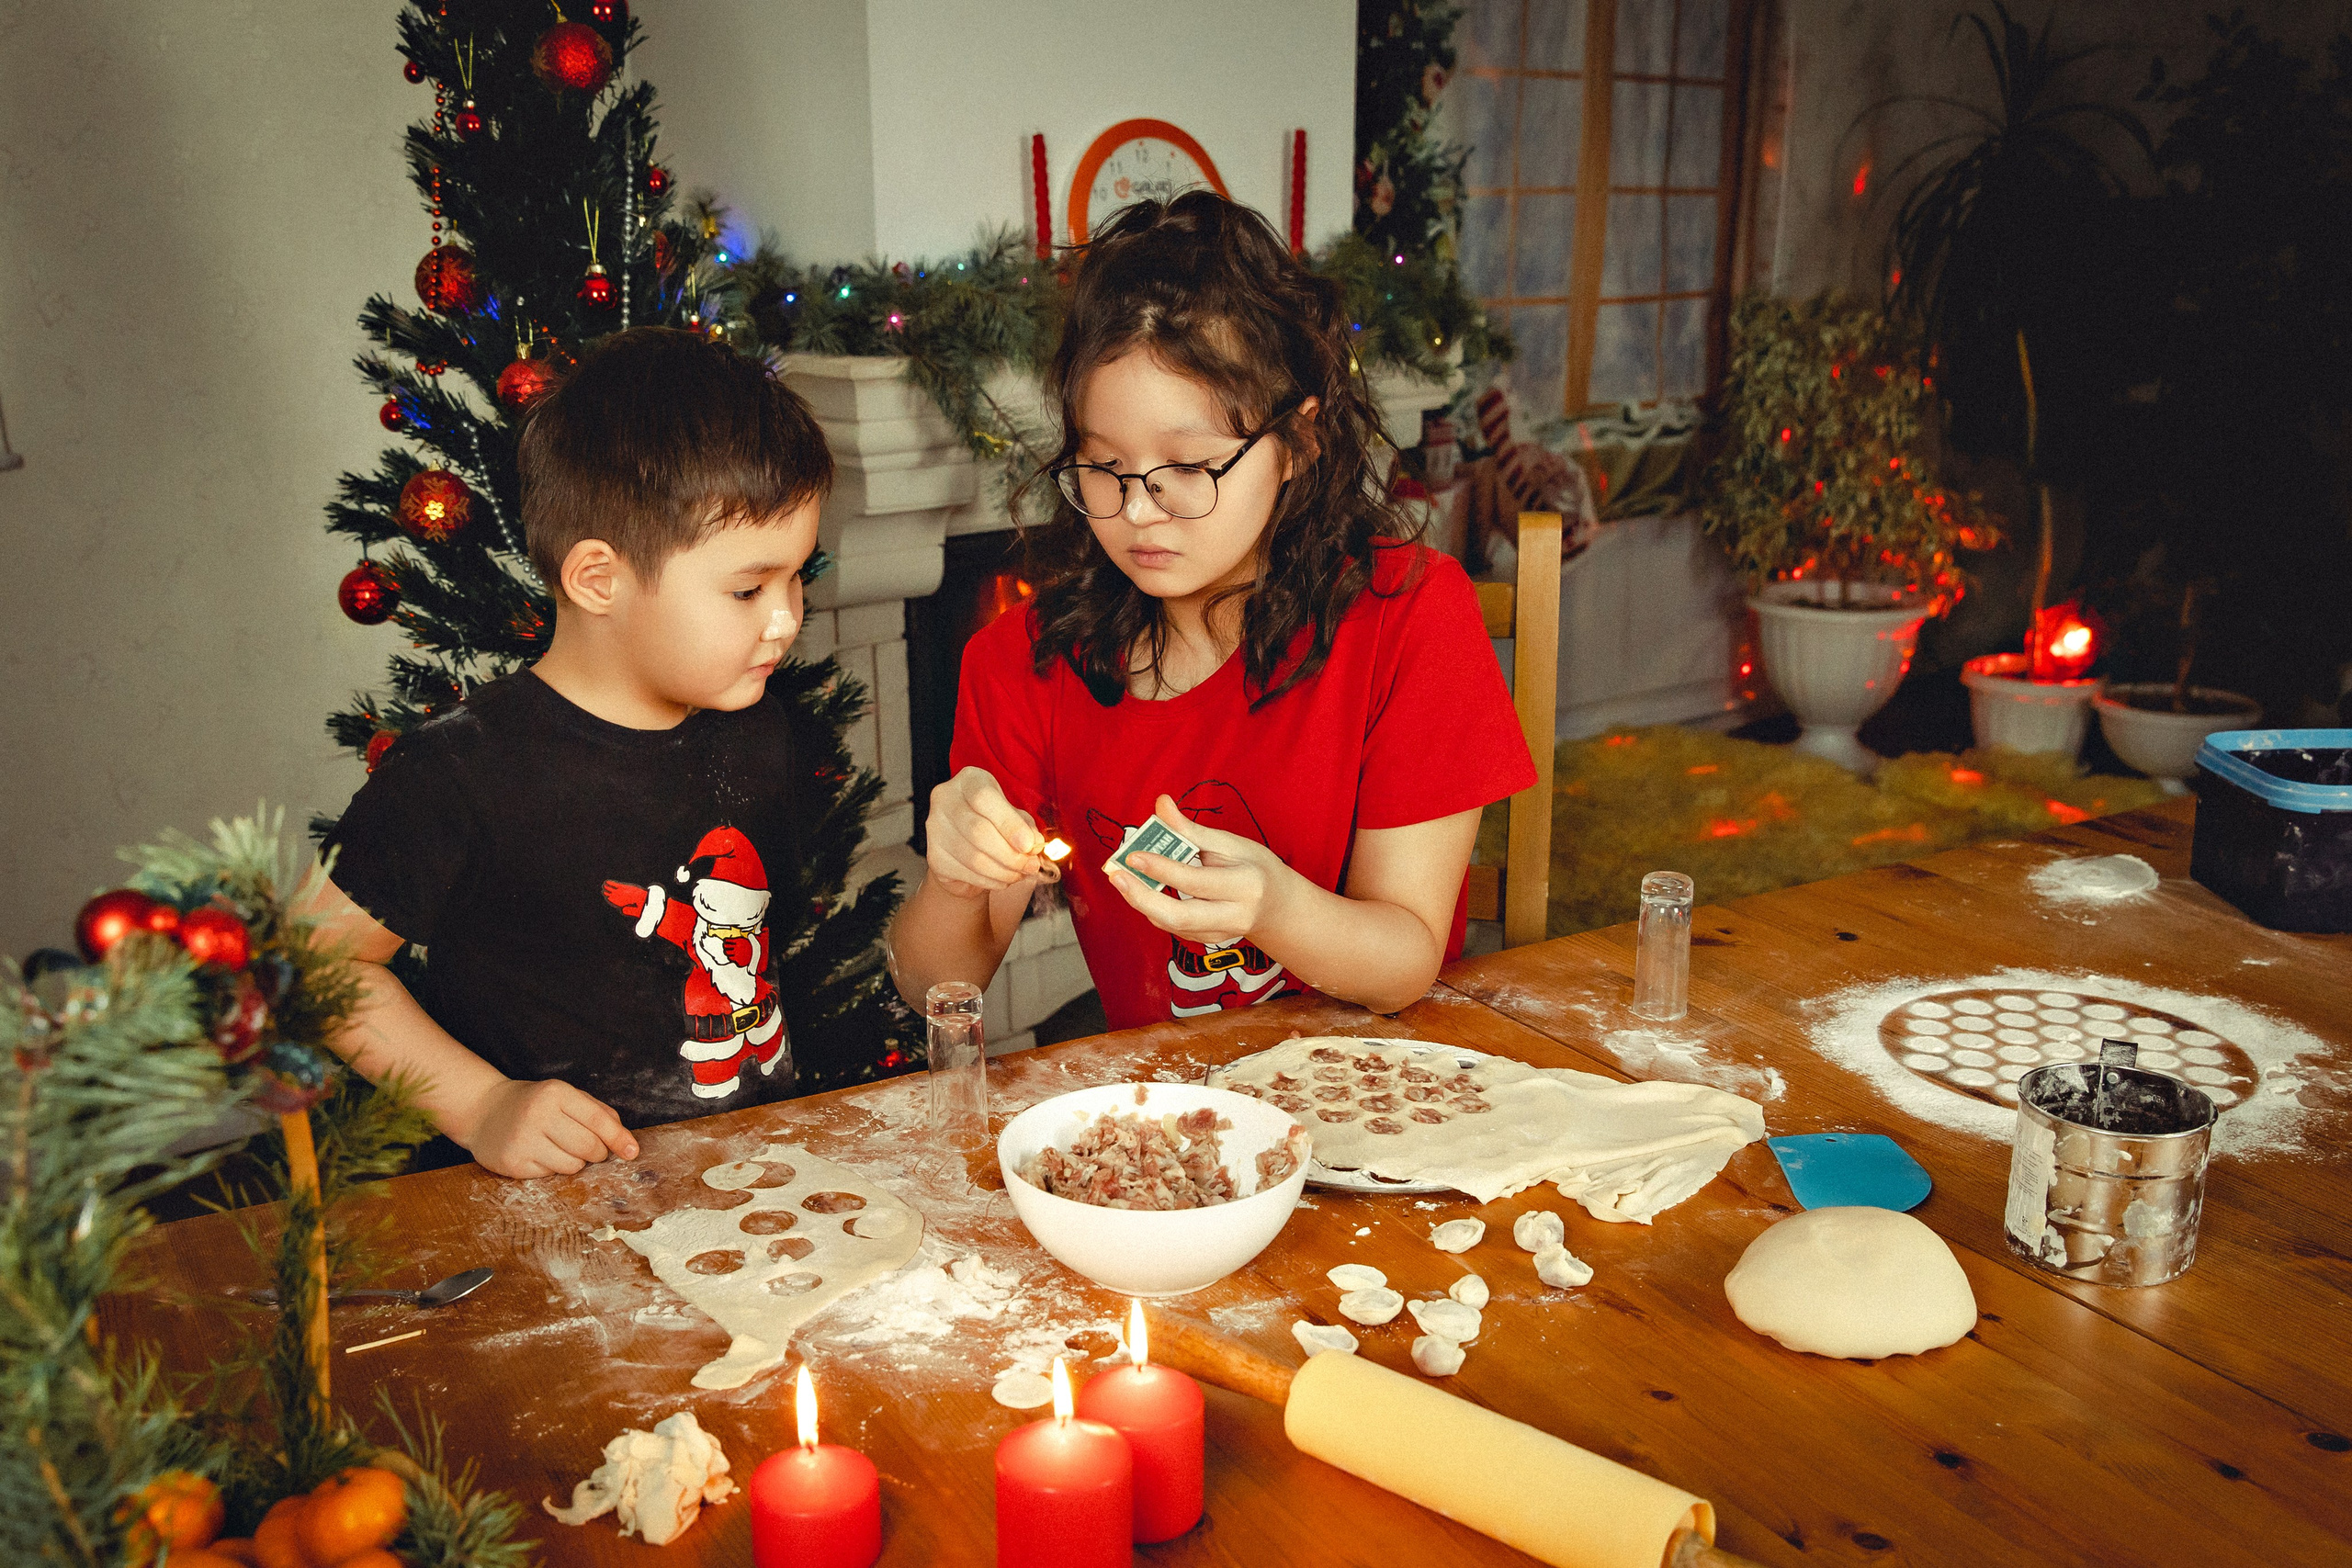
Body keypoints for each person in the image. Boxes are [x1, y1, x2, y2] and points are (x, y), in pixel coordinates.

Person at [888, 192, 1535, 1032]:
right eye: (1103, 465)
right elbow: (939, 983)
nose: (1139, 510)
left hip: (1373, 1095)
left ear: (1299, 442)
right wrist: (954, 877)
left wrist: (1273, 906)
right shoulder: (1027, 660)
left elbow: (1405, 961)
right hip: (1170, 1125)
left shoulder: (1407, 617)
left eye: (1189, 467)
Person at [311, 328, 832, 1178]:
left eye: (797, 577)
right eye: (747, 589)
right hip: (560, 1217)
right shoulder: (459, 774)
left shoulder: (759, 726)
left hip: (752, 1179)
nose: (786, 619)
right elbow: (311, 966)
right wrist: (479, 1105)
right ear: (598, 580)